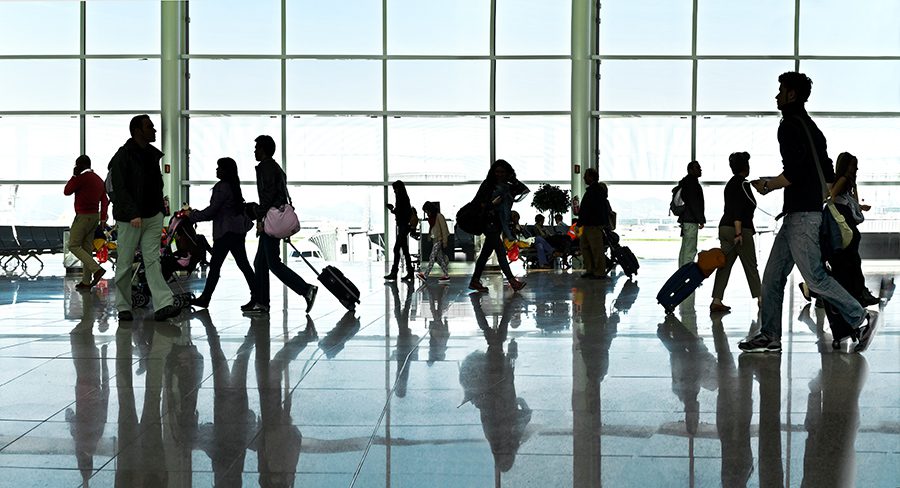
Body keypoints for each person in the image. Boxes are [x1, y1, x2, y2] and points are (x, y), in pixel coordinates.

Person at [739, 72, 875, 354]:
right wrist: (818, 196)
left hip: (802, 217)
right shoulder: (812, 128)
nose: (776, 96)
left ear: (791, 94)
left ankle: (861, 318)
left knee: (814, 277)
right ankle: (769, 336)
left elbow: (795, 171)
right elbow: (826, 171)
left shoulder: (789, 125)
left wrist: (768, 185)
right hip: (797, 216)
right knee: (773, 278)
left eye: (780, 91)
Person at [108, 114, 180, 322]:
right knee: (124, 263)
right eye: (150, 127)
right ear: (137, 131)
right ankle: (123, 306)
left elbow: (155, 185)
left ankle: (164, 304)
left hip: (152, 215)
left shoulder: (151, 155)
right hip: (131, 218)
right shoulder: (122, 156)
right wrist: (132, 213)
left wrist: (160, 210)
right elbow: (118, 188)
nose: (155, 130)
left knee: (152, 261)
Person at [243, 135, 317, 315]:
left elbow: (268, 197)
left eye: (257, 148)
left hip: (270, 218)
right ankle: (261, 302)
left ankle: (306, 290)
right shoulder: (275, 167)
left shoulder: (266, 167)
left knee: (273, 264)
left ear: (264, 150)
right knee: (260, 262)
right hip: (274, 217)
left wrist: (257, 213)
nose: (255, 151)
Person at [185, 157, 256, 309]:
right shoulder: (234, 186)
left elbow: (212, 211)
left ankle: (205, 298)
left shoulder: (222, 187)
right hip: (237, 231)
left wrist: (192, 216)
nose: (217, 170)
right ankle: (257, 296)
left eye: (220, 167)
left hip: (225, 232)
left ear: (226, 170)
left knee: (216, 266)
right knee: (243, 264)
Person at [823, 152, 878, 306]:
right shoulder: (843, 180)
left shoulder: (848, 182)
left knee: (850, 261)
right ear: (846, 166)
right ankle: (858, 293)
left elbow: (846, 200)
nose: (856, 168)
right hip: (843, 222)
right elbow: (831, 198)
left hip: (844, 221)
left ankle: (857, 293)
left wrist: (858, 203)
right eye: (853, 165)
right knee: (851, 260)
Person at [710, 152, 762, 313]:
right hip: (739, 230)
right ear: (745, 167)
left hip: (725, 228)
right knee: (751, 265)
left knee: (724, 266)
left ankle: (716, 300)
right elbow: (738, 209)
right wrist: (739, 233)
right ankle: (761, 299)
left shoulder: (730, 184)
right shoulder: (743, 184)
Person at [468, 159, 526, 293]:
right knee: (500, 252)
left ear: (507, 173)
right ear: (493, 172)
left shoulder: (508, 186)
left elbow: (523, 190)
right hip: (489, 223)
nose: (499, 174)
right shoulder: (488, 185)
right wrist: (492, 204)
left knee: (485, 254)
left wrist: (513, 179)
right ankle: (512, 281)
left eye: (503, 172)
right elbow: (477, 203)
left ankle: (475, 280)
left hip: (498, 224)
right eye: (497, 171)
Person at [64, 154, 109, 290]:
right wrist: (102, 218)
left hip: (83, 216)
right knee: (87, 248)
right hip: (95, 217)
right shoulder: (98, 179)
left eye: (77, 165)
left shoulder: (81, 179)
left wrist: (74, 176)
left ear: (81, 166)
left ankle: (97, 269)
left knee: (73, 245)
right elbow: (105, 201)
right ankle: (86, 282)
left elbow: (67, 191)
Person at [577, 168, 610, 279]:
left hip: (594, 225)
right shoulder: (592, 190)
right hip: (587, 225)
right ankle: (590, 269)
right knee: (585, 247)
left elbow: (592, 209)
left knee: (596, 249)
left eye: (585, 176)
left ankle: (599, 271)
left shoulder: (596, 191)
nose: (583, 178)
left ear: (591, 177)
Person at [385, 180, 415, 282]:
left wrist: (393, 209)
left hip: (403, 227)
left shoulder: (401, 198)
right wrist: (393, 209)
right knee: (405, 250)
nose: (394, 191)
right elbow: (403, 211)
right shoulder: (404, 197)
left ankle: (394, 272)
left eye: (395, 189)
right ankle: (410, 271)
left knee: (396, 248)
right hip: (403, 226)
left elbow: (402, 212)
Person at [677, 160, 705, 267]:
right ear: (690, 170)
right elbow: (695, 204)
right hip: (691, 221)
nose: (700, 169)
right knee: (690, 250)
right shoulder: (692, 184)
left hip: (686, 220)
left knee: (685, 249)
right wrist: (701, 220)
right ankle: (687, 275)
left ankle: (681, 274)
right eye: (697, 168)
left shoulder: (685, 182)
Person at [417, 201, 450, 282]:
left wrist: (445, 241)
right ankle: (446, 275)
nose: (426, 213)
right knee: (440, 259)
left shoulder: (439, 216)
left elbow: (444, 228)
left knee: (432, 257)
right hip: (435, 240)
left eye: (427, 210)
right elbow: (432, 228)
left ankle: (425, 275)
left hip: (439, 239)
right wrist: (429, 236)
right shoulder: (432, 217)